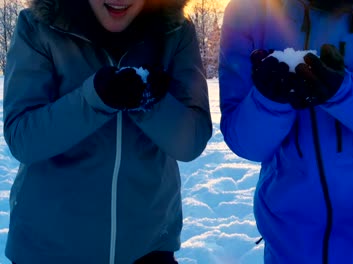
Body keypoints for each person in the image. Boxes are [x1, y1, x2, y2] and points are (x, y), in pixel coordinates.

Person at [219, 0, 353, 263]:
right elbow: (246, 144)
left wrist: (344, 92)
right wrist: (268, 101)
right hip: (290, 241)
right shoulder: (248, 11)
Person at [3, 0, 212, 263]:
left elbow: (191, 142)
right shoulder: (39, 27)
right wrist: (94, 99)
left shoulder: (175, 31)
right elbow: (23, 138)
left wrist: (148, 103)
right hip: (49, 248)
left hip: (148, 248)